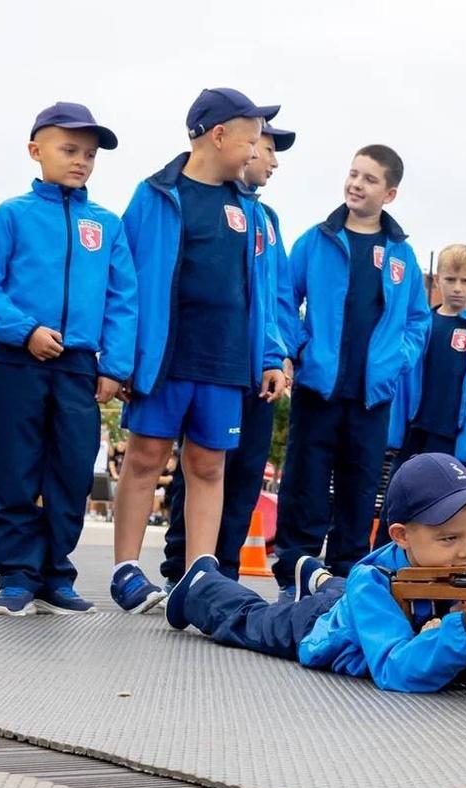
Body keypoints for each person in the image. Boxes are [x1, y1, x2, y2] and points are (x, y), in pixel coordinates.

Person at [111, 88, 288, 613]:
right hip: (165, 357)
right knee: (145, 458)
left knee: (209, 465)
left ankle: (199, 575)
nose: (256, 152)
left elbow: (265, 292)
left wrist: (272, 356)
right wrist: (119, 357)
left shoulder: (251, 212)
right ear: (218, 136)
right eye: (251, 141)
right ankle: (125, 569)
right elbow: (126, 281)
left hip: (225, 359)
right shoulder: (154, 195)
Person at [0, 102, 137, 616]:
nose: (81, 160)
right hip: (19, 361)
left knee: (71, 471)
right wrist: (24, 331)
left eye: (89, 154)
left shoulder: (106, 225)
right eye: (69, 149)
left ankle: (55, 575)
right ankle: (16, 576)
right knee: (15, 468)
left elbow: (123, 297)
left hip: (79, 366)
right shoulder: (12, 215)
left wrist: (114, 367)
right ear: (35, 151)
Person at [164, 453, 466, 693]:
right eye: (449, 537)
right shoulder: (373, 580)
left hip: (358, 603)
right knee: (255, 622)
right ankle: (202, 584)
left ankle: (317, 577)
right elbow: (393, 668)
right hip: (323, 627)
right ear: (401, 535)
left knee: (346, 591)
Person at [273, 145, 431, 590]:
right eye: (353, 174)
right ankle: (294, 572)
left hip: (372, 395)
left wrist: (397, 362)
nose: (356, 184)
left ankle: (346, 577)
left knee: (359, 489)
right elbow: (286, 298)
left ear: (390, 194)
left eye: (369, 179)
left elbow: (418, 320)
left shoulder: (401, 255)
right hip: (318, 387)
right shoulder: (316, 240)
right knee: (305, 483)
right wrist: (298, 348)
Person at [161, 122, 297, 585]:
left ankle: (225, 575)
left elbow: (278, 298)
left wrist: (278, 356)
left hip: (257, 369)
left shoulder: (268, 220)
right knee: (199, 466)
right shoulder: (192, 202)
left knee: (243, 477)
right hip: (212, 362)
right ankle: (181, 569)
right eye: (266, 149)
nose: (273, 161)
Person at [378, 244, 466, 545]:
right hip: (415, 429)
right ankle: (380, 565)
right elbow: (403, 380)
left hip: (450, 436)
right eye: (450, 279)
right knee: (397, 501)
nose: (457, 288)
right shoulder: (422, 323)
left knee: (444, 511)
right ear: (436, 280)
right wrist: (395, 430)